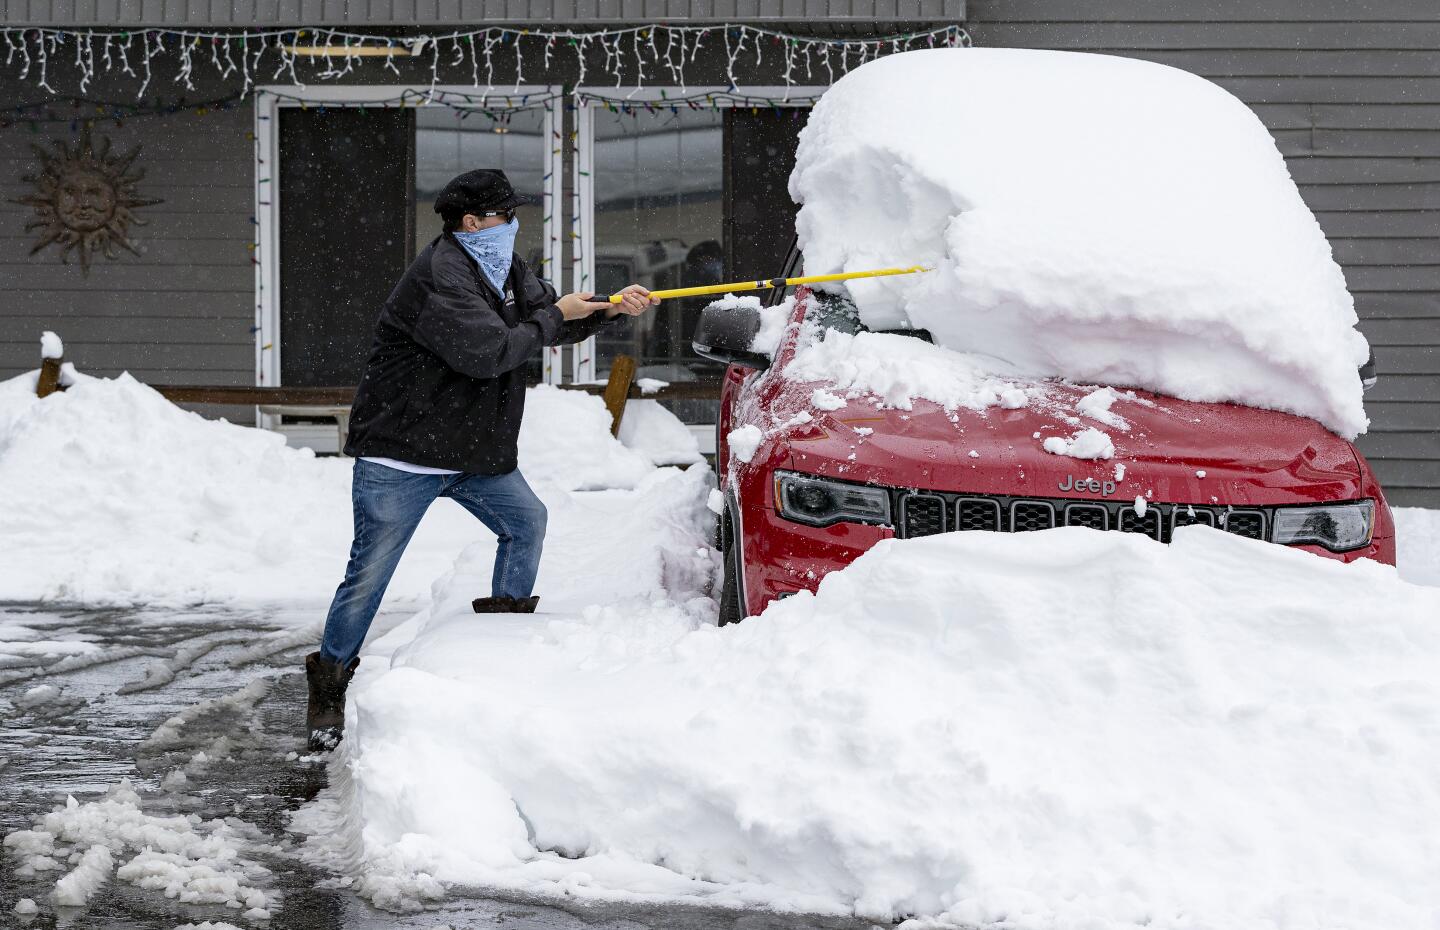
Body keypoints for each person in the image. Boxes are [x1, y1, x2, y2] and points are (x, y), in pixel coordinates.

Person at [305, 168, 658, 750]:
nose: (515, 225)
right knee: (369, 576)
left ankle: (499, 647)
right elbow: (490, 351)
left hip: (471, 449)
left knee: (526, 523)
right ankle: (330, 682)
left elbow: (548, 313)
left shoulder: (501, 268)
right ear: (473, 222)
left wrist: (609, 310)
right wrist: (558, 316)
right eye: (505, 215)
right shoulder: (441, 276)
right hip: (404, 454)